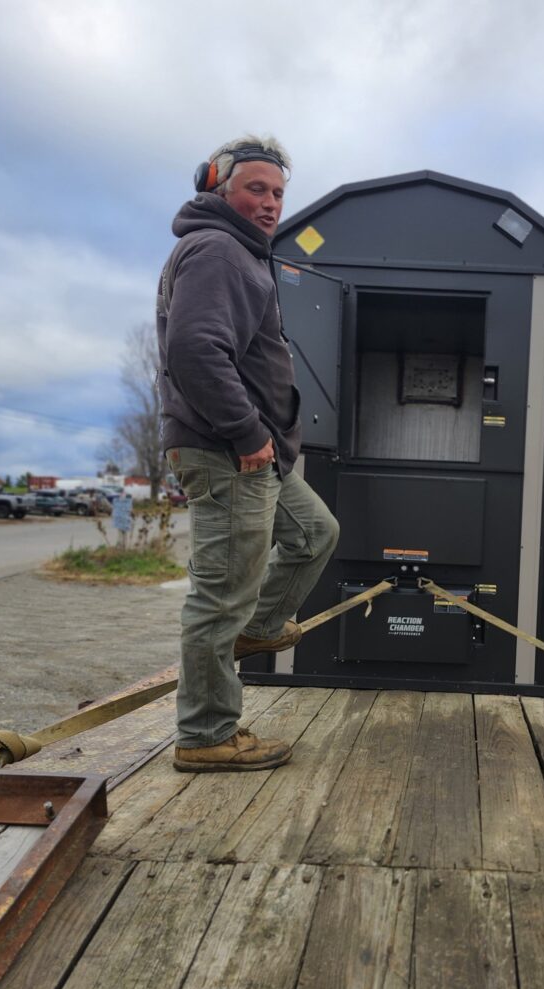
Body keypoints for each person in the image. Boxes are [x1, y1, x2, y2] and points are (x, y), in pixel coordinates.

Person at [157, 134, 340, 772]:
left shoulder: (239, 255)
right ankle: (206, 735)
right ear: (216, 186)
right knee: (220, 595)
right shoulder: (219, 251)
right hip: (230, 450)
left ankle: (259, 629)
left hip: (256, 453)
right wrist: (247, 432)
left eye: (278, 194)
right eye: (255, 189)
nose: (269, 204)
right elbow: (195, 351)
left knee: (315, 531)